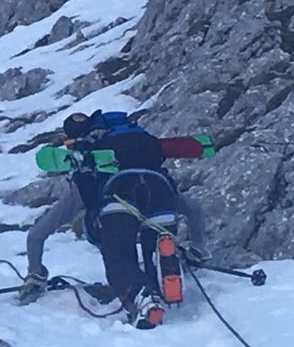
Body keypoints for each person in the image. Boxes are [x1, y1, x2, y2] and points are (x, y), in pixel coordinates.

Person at [21, 110, 211, 329]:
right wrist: (197, 248)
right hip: (161, 193)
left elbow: (38, 233)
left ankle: (142, 296)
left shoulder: (86, 160)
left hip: (118, 198)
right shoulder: (146, 146)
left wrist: (35, 273)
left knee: (119, 259)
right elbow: (194, 208)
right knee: (155, 245)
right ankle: (164, 266)